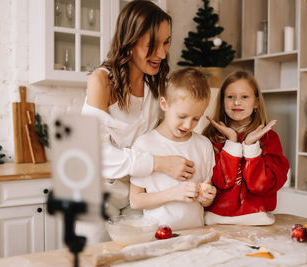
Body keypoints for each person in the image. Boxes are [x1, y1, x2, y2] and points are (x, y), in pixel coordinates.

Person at [80, 1, 195, 241]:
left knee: (136, 257)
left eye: (166, 42)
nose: (162, 53)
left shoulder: (156, 86)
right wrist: (160, 163)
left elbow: (170, 134)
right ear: (130, 40)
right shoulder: (101, 81)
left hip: (137, 193)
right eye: (153, 44)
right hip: (94, 197)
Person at [130, 67, 217, 230]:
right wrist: (173, 193)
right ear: (164, 104)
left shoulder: (204, 145)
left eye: (196, 119)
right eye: (182, 116)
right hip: (157, 235)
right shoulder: (144, 144)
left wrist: (207, 198)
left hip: (196, 232)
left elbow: (206, 191)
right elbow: (136, 201)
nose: (188, 125)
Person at [202, 70, 289, 226]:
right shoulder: (210, 137)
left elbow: (261, 186)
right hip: (215, 221)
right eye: (230, 97)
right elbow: (222, 182)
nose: (236, 102)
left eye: (244, 97)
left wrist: (250, 148)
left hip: (258, 221)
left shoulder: (270, 139)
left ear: (256, 102)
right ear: (222, 102)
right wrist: (232, 143)